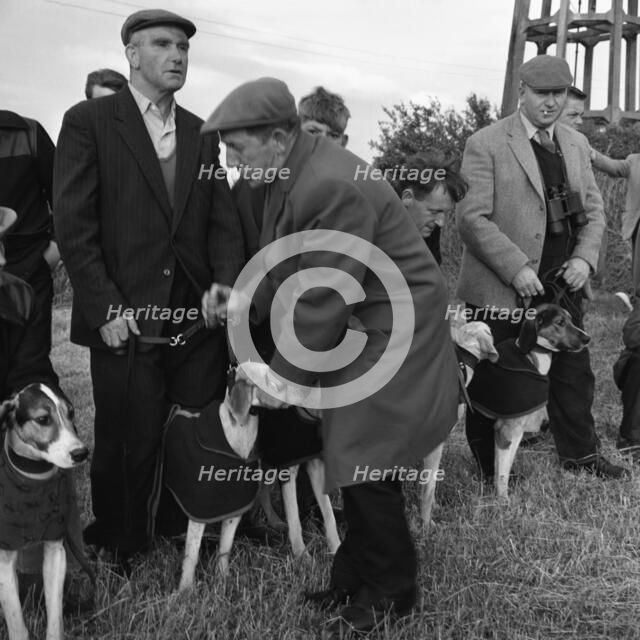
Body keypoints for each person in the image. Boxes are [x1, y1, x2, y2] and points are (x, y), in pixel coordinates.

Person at [201, 77, 459, 636]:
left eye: (237, 148)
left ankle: (391, 591)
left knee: (365, 453)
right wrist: (245, 301)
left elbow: (324, 293)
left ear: (275, 138)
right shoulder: (290, 170)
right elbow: (287, 264)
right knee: (346, 448)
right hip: (364, 317)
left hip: (394, 326)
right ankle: (354, 578)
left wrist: (283, 379)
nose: (231, 161)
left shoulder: (326, 182)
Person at [53, 9, 244, 563]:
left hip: (192, 318)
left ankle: (177, 525)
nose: (178, 54)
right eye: (163, 44)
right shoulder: (88, 121)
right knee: (124, 438)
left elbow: (222, 222)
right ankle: (121, 539)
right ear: (132, 55)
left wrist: (224, 286)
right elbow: (74, 223)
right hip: (124, 315)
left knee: (193, 428)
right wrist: (105, 305)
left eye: (184, 46)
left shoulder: (200, 134)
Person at [456, 54, 627, 480]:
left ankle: (580, 455)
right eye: (542, 93)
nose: (551, 102)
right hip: (502, 286)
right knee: (493, 374)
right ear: (522, 92)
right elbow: (471, 218)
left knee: (574, 373)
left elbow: (595, 211)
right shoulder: (486, 142)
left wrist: (584, 259)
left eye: (559, 94)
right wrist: (515, 268)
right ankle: (486, 467)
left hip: (561, 286)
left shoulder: (574, 143)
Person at [0, 110, 58, 362]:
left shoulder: (28, 133)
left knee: (29, 370)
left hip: (28, 274)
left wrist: (51, 256)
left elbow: (69, 202)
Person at [395, 152, 468, 265]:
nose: (441, 223)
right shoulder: (374, 231)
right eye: (434, 212)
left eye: (445, 213)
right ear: (407, 198)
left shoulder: (430, 231)